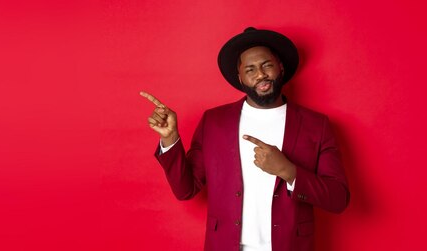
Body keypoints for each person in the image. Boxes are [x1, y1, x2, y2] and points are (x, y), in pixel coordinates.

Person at [140, 27, 349, 251]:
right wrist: (171, 139)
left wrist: (288, 171)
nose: (260, 74)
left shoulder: (316, 125)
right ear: (240, 78)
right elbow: (185, 190)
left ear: (281, 67)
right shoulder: (214, 122)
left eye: (267, 65)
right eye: (250, 69)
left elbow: (338, 199)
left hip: (290, 245)